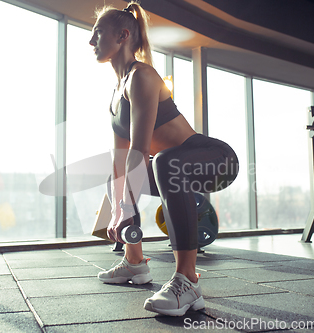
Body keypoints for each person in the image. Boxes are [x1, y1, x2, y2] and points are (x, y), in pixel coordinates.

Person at [90, 2, 239, 317]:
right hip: (172, 168)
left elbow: (140, 151)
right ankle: (134, 264)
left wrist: (125, 209)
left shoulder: (141, 76)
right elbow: (121, 161)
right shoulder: (116, 97)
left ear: (122, 36)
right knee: (115, 180)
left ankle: (188, 280)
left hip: (217, 159)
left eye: (98, 33)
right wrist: (118, 209)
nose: (91, 42)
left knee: (164, 161)